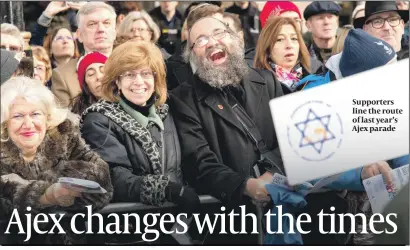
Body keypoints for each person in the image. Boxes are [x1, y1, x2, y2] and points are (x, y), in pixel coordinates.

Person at [170, 16, 284, 244]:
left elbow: (289, 137)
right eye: (201, 40)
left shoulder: (266, 80)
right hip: (229, 222)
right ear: (192, 56)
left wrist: (273, 173)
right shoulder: (182, 99)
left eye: (219, 33)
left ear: (235, 39)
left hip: (283, 210)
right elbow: (199, 162)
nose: (212, 42)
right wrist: (244, 186)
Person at [80, 41, 200, 213]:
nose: (139, 82)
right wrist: (166, 190)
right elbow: (113, 176)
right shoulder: (98, 119)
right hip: (131, 226)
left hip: (176, 220)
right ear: (117, 82)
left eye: (146, 73)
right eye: (129, 75)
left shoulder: (168, 111)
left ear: (155, 78)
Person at [0, 77, 113, 244]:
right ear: (5, 123)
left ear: (47, 117)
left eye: (35, 114)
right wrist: (46, 195)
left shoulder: (64, 135)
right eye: (17, 116)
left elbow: (101, 177)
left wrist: (52, 186)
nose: (28, 124)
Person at [51, 2, 117, 108]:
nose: (100, 29)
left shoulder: (132, 65)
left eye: (106, 23)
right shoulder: (62, 75)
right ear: (79, 35)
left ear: (114, 32)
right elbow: (68, 122)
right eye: (92, 24)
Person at [166, 3, 224, 90]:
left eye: (221, 31)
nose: (215, 42)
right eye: (213, 31)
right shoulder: (170, 69)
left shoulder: (236, 62)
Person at [254, 17, 311, 94]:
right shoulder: (256, 86)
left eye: (294, 38)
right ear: (267, 49)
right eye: (279, 39)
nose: (289, 45)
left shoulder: (313, 79)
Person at [304, 1, 341, 72]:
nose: (326, 22)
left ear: (337, 22)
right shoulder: (302, 59)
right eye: (320, 18)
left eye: (330, 17)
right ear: (308, 25)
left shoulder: (349, 53)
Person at [71, 52, 107, 116]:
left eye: (103, 70)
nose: (98, 76)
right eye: (91, 74)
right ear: (86, 86)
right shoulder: (83, 117)